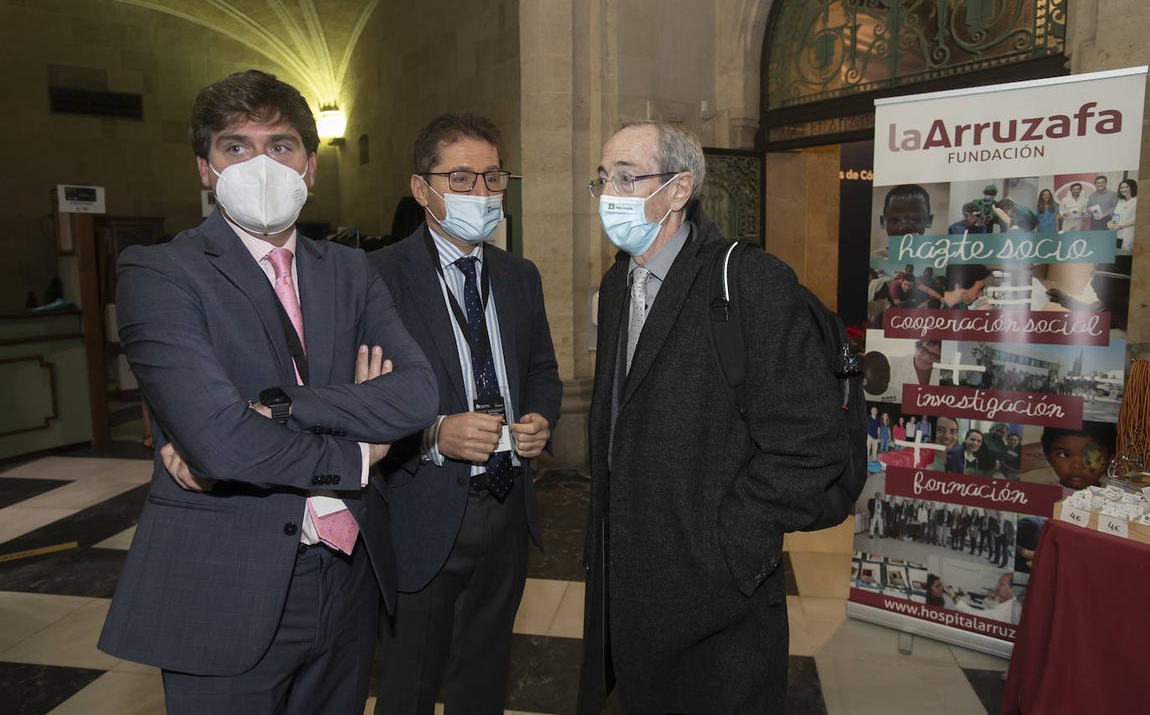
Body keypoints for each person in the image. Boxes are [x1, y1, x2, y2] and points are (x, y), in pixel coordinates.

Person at [97, 70, 439, 713]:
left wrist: (284, 405)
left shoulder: (349, 268)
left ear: (309, 167)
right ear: (205, 168)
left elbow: (419, 394)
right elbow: (220, 442)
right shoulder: (160, 272)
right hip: (226, 582)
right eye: (236, 146)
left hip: (348, 575)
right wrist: (358, 450)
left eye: (280, 146)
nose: (261, 164)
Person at [578, 120, 851, 713]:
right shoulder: (618, 283)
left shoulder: (750, 281)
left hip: (721, 600)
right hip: (632, 582)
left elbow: (812, 445)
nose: (608, 195)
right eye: (602, 179)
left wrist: (734, 542)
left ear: (679, 190)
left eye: (628, 178)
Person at [368, 113, 562, 714]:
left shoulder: (519, 275)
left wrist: (538, 420)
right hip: (423, 509)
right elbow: (361, 401)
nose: (481, 194)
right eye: (461, 179)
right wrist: (432, 435)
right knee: (411, 680)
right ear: (421, 188)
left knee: (485, 672)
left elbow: (542, 372)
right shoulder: (378, 278)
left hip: (506, 506)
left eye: (491, 177)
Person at [1023, 423, 1116, 489]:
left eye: (1091, 456)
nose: (1077, 466)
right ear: (1048, 456)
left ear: (1109, 460)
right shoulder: (1040, 494)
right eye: (1064, 455)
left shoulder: (1115, 500)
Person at [872, 184, 933, 259]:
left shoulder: (936, 258)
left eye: (916, 219)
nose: (905, 226)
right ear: (883, 222)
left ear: (929, 221)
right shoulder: (874, 259)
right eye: (896, 219)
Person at [945, 572, 1019, 624]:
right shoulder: (1009, 602)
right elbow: (995, 609)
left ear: (1013, 589)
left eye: (1001, 584)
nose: (996, 586)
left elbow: (974, 615)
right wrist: (990, 599)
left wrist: (953, 596)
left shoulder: (1006, 610)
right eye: (998, 583)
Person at [1108, 178, 1137, 250]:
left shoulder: (1137, 201)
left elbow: (1139, 220)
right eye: (1122, 187)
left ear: (1132, 187)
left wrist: (1121, 226)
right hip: (1117, 233)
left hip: (1129, 233)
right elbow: (1116, 216)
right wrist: (1110, 223)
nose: (1124, 189)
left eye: (1127, 187)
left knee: (1126, 253)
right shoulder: (1120, 201)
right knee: (1117, 252)